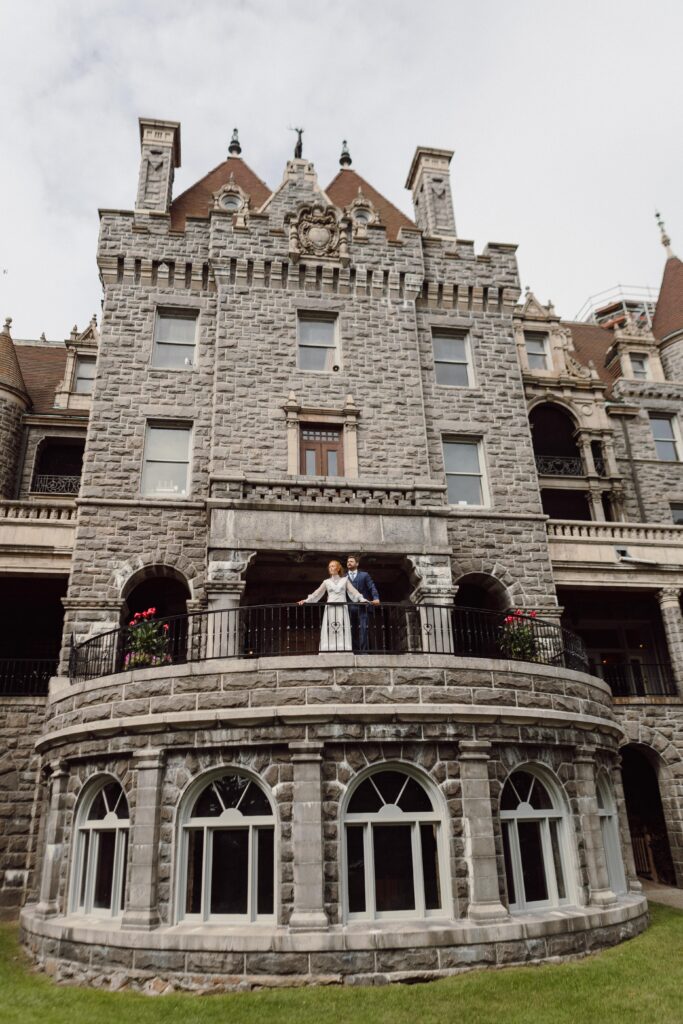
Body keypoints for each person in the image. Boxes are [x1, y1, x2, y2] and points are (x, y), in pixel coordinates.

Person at [299, 560, 368, 652]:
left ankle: (343, 646)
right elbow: (317, 593)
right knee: (330, 626)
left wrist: (361, 598)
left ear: (338, 568)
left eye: (333, 566)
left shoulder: (345, 580)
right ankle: (329, 647)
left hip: (342, 608)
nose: (331, 568)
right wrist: (306, 600)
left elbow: (353, 591)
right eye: (330, 566)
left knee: (341, 625)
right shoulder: (326, 582)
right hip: (330, 608)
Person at [345, 555, 380, 653]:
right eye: (348, 562)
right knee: (351, 630)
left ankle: (363, 652)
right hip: (349, 607)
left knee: (363, 630)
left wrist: (376, 598)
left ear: (357, 564)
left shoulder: (364, 575)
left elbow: (371, 587)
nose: (349, 563)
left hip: (363, 607)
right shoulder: (343, 577)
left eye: (351, 561)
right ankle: (354, 651)